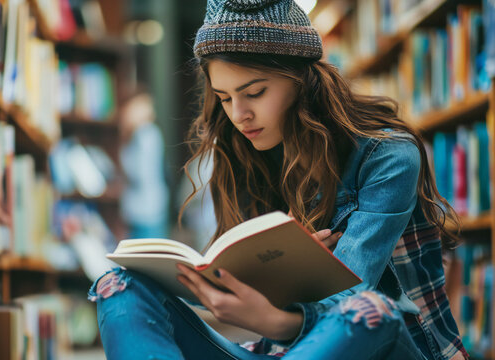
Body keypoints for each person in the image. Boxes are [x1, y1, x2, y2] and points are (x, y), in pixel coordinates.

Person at [88, 0, 468, 359]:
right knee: (119, 286)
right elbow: (243, 309)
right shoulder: (242, 156)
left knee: (370, 310)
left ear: (301, 79)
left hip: (376, 346)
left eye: (255, 92)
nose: (239, 115)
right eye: (224, 97)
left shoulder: (388, 156)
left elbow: (353, 302)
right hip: (284, 351)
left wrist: (273, 319)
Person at [118, 88, 169, 239]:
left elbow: (140, 173)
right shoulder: (144, 133)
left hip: (146, 210)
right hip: (146, 209)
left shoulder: (145, 133)